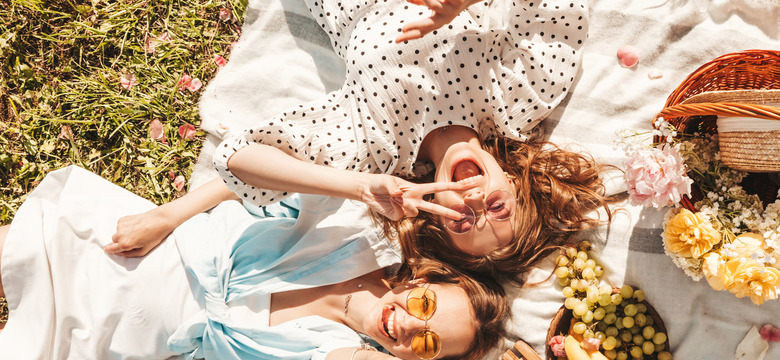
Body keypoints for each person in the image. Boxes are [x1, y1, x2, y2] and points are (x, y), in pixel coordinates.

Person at [0, 166, 509, 360]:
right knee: (22, 251)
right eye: (423, 309)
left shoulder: (338, 351)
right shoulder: (351, 228)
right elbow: (250, 178)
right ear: (423, 281)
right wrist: (169, 215)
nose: (405, 326)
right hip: (151, 248)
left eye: (424, 343)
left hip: (131, 333)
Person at [206, 0, 611, 282]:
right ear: (514, 183)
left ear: (435, 214)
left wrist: (360, 187)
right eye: (496, 207)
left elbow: (237, 159)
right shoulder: (517, 99)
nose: (473, 200)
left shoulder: (378, 150)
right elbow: (555, 10)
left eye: (463, 220)